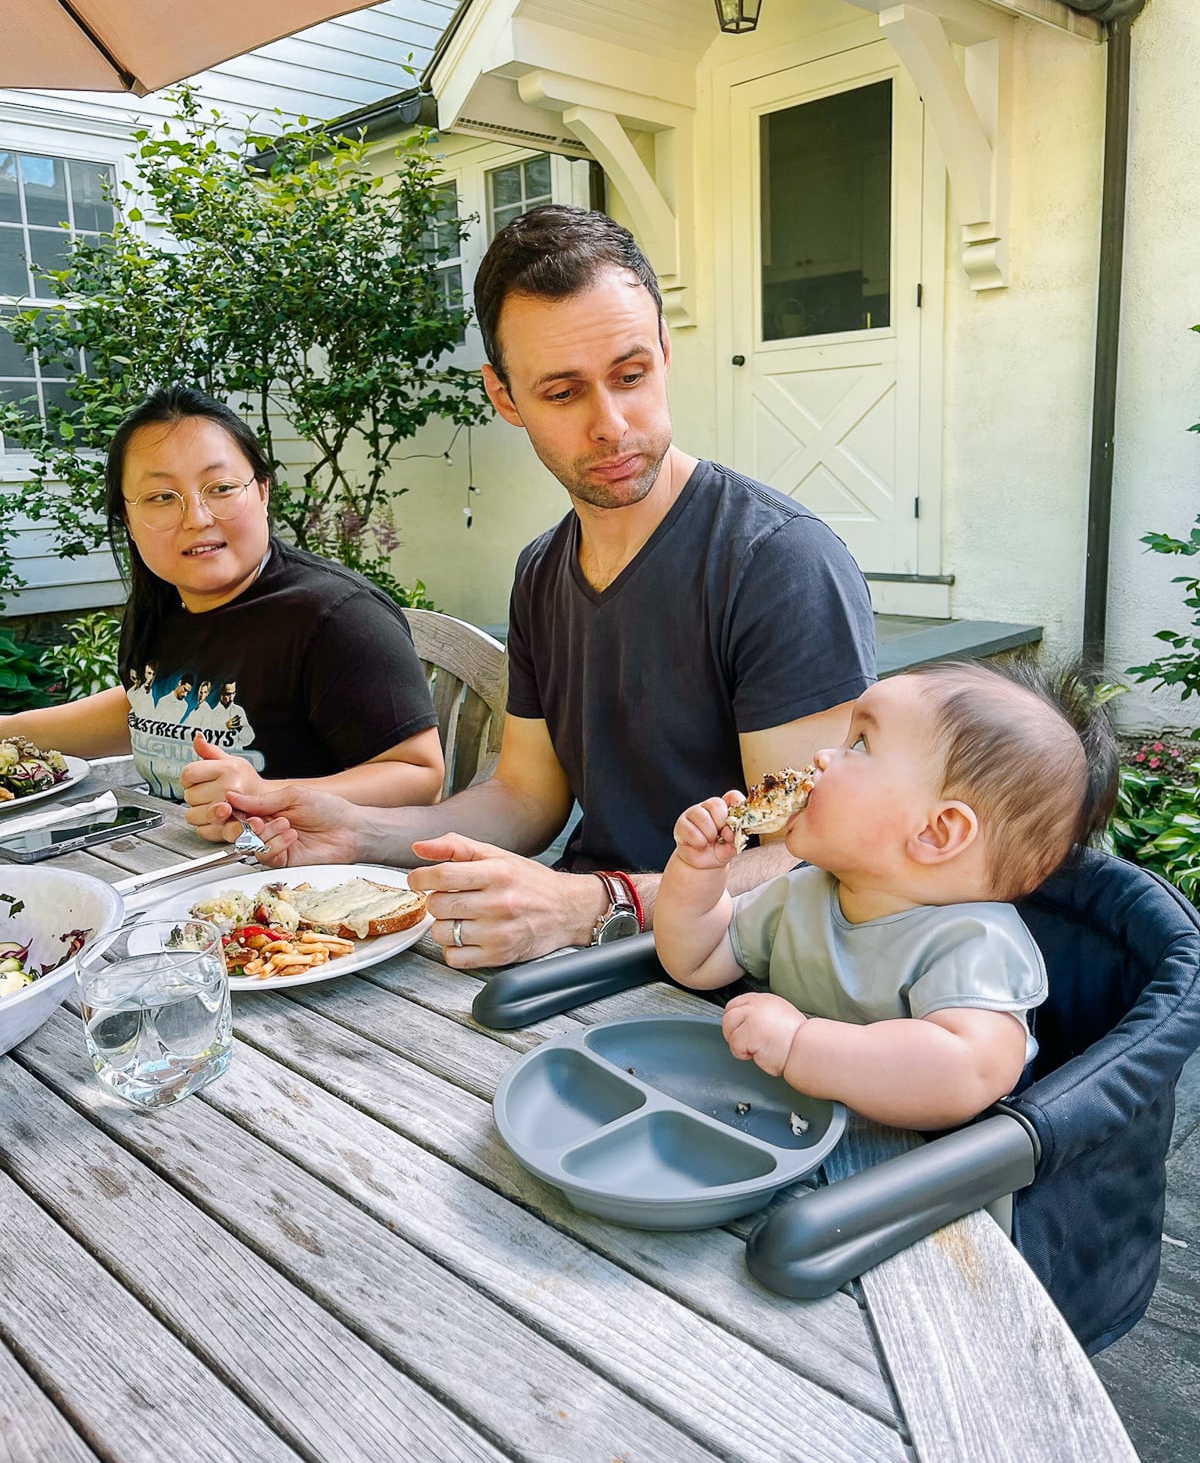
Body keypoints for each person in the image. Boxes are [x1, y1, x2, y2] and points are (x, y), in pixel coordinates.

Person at [231, 205, 877, 966]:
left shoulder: (777, 564)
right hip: (585, 953)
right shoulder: (542, 571)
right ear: (504, 397)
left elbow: (811, 856)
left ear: (666, 352)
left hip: (743, 985)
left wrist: (591, 904)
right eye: (564, 393)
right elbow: (528, 798)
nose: (611, 423)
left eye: (631, 375)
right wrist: (356, 830)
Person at [655, 660, 1119, 1130]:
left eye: (859, 744)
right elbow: (698, 959)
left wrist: (801, 1044)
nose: (821, 756)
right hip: (783, 1126)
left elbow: (968, 1071)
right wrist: (697, 872)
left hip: (916, 1175)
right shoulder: (802, 893)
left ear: (937, 832)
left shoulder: (975, 943)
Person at [0, 385, 444, 815]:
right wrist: (10, 732)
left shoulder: (338, 618)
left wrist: (266, 793)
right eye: (160, 497)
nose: (196, 517)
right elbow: (148, 702)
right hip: (178, 859)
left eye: (221, 488)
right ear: (127, 519)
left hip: (313, 878)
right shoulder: (164, 603)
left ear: (263, 491)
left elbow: (419, 776)